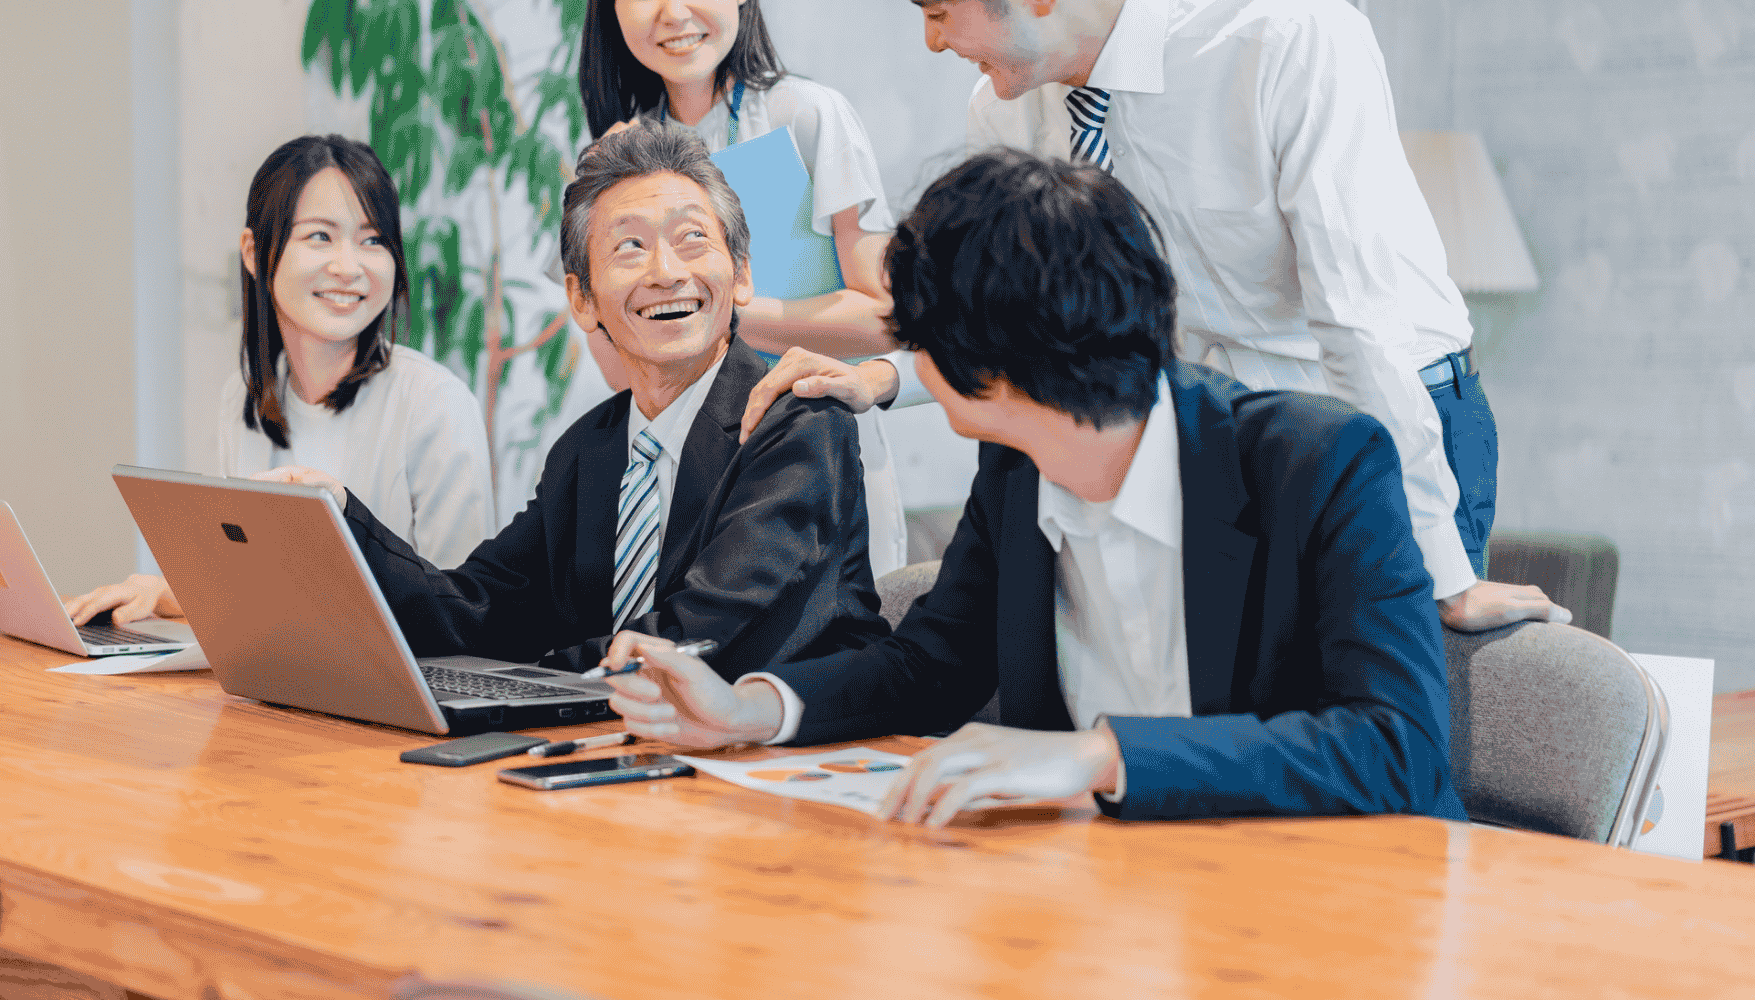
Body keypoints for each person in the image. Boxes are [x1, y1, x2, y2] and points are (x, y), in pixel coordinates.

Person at [761, 0, 1559, 632]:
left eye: (935, 12)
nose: (932, 42)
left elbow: (1361, 323)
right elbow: (1041, 331)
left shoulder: (1286, 41)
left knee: (1372, 707)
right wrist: (884, 379)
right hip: (1206, 427)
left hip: (1384, 419)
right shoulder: (1006, 112)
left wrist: (1436, 567)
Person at [606, 149, 1468, 826]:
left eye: (920, 343)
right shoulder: (1018, 465)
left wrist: (1103, 756)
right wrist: (745, 710)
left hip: (1335, 905)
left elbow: (1398, 746)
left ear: (991, 368)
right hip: (1101, 899)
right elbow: (927, 667)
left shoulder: (1319, 461)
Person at [263, 120, 887, 680]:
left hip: (788, 768)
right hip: (629, 761)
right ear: (582, 298)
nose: (666, 271)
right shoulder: (589, 449)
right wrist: (340, 517)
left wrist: (536, 682)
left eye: (692, 239)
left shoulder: (797, 420)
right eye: (630, 247)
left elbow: (709, 633)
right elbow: (477, 608)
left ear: (742, 273)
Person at [576, 0, 910, 578]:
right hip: (683, 469)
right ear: (611, 8)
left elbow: (888, 318)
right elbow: (617, 360)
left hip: (816, 451)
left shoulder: (808, 118)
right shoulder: (614, 160)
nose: (674, 11)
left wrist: (722, 315)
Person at [64, 135, 493, 626]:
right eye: (320, 236)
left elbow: (462, 612)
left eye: (373, 240)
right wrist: (165, 592)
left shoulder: (435, 406)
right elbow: (259, 590)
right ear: (253, 251)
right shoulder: (242, 401)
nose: (348, 267)